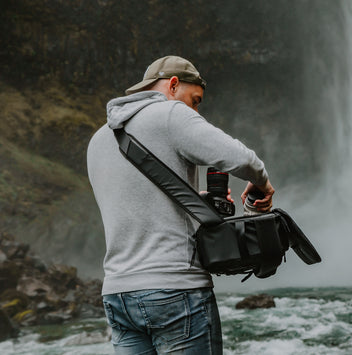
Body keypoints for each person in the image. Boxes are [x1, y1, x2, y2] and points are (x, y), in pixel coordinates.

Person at [87, 55, 275, 354]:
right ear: (173, 85)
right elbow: (242, 160)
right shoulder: (170, 113)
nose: (195, 110)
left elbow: (133, 202)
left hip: (118, 294)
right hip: (174, 289)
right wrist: (262, 183)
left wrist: (196, 200)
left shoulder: (98, 140)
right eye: (195, 100)